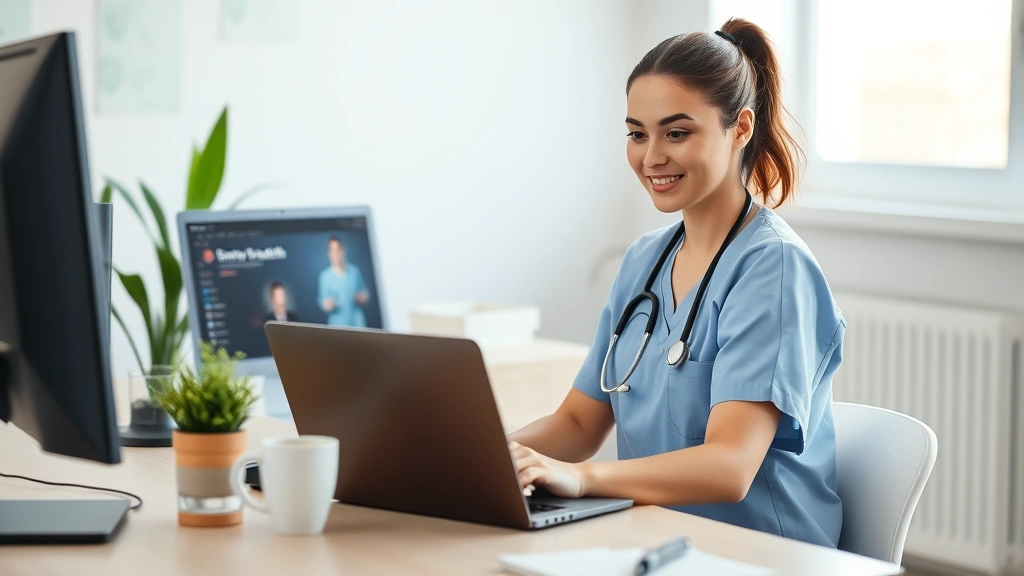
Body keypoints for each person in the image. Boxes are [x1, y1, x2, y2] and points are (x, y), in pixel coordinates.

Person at [507, 19, 844, 548]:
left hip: (760, 551)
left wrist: (584, 478)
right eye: (637, 133)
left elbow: (729, 467)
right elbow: (578, 423)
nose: (651, 156)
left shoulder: (773, 269)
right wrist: (486, 459)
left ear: (741, 128)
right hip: (656, 537)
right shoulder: (645, 259)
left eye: (677, 132)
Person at [318, 236, 370, 327]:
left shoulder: (354, 271)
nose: (336, 254)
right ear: (329, 253)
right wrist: (328, 305)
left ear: (343, 250)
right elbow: (323, 303)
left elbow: (365, 294)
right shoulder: (325, 277)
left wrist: (362, 298)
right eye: (333, 251)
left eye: (338, 249)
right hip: (338, 323)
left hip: (357, 322)